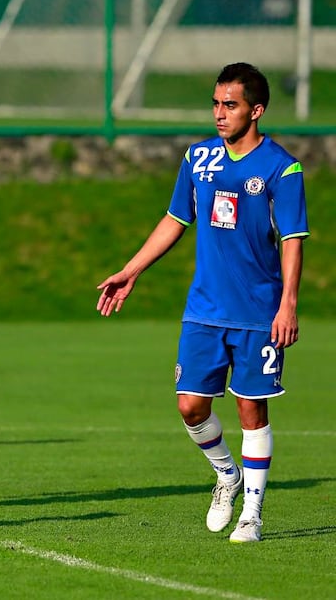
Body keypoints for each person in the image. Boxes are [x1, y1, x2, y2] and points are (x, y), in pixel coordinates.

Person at [96, 62, 308, 544]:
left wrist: (288, 305)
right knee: (190, 406)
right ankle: (227, 475)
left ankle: (252, 513)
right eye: (215, 103)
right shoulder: (198, 158)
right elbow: (175, 219)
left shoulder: (281, 167)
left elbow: (293, 238)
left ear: (256, 110)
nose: (219, 113)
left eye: (229, 105)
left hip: (258, 311)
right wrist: (131, 270)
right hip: (204, 309)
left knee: (251, 411)